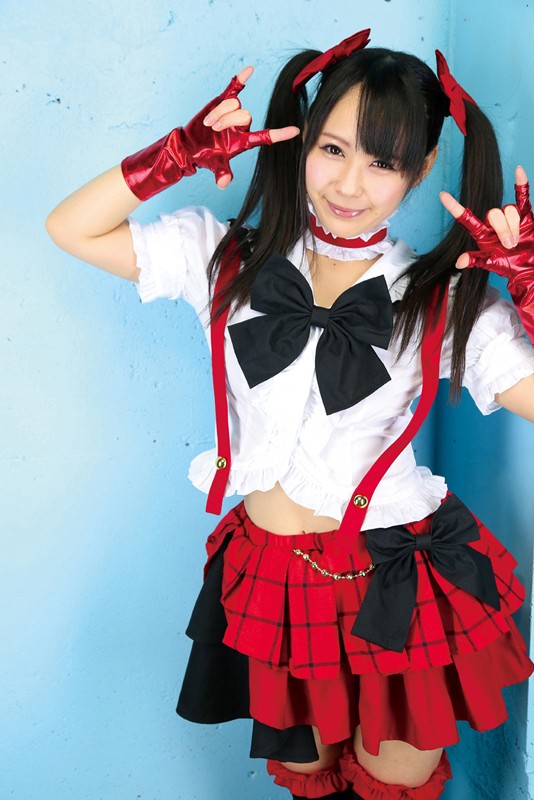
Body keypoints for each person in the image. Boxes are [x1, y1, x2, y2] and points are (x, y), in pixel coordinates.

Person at [46, 27, 534, 800]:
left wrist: (531, 289)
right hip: (272, 575)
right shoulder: (227, 258)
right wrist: (175, 155)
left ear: (423, 168)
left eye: (383, 162)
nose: (350, 183)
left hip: (394, 578)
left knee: (396, 778)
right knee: (308, 775)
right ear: (302, 139)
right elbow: (70, 227)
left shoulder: (439, 299)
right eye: (333, 149)